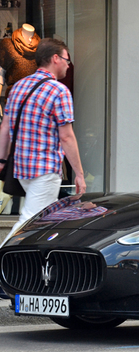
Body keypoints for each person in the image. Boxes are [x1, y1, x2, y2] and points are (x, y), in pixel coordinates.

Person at [0, 38, 86, 243]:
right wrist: (80, 174)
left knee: (44, 222)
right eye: (67, 59)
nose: (68, 64)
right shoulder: (59, 91)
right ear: (55, 58)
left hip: (22, 169)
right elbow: (66, 136)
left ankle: (35, 269)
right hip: (44, 170)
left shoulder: (19, 86)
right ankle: (5, 262)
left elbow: (5, 128)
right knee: (30, 223)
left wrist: (2, 161)